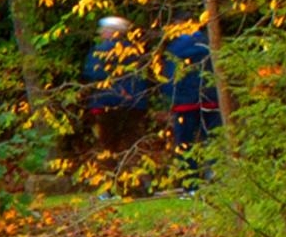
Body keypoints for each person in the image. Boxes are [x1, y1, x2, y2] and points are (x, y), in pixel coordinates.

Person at [79, 15, 154, 149]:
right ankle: (131, 167)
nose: (101, 33)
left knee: (108, 144)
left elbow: (92, 73)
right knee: (131, 143)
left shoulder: (100, 51)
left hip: (107, 103)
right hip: (135, 104)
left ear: (112, 31)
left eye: (104, 29)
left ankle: (111, 167)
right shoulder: (136, 51)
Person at [160, 22, 219, 154]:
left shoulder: (174, 48)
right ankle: (215, 170)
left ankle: (188, 171)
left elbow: (170, 77)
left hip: (184, 104)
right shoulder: (208, 43)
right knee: (214, 139)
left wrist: (169, 98)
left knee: (185, 144)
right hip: (211, 99)